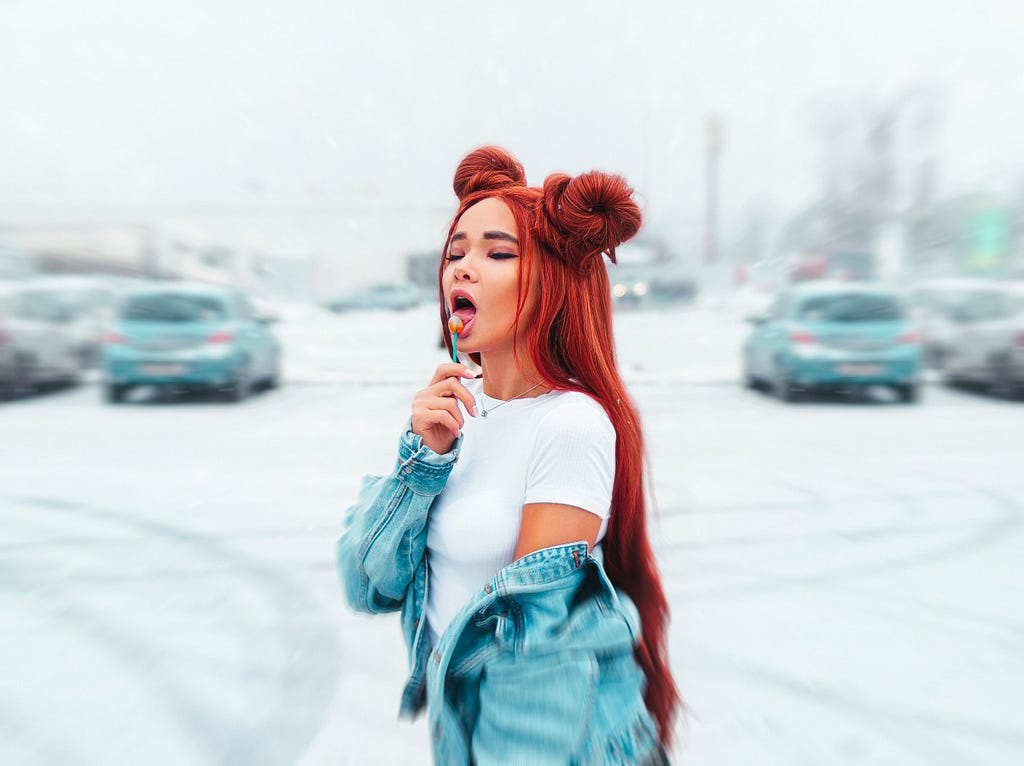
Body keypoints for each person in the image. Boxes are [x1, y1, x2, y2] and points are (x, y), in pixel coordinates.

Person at [336, 146, 679, 764]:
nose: (461, 270)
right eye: (455, 251)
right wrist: (422, 465)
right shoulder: (456, 413)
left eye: (497, 253)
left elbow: (536, 664)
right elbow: (368, 583)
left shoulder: (569, 427)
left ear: (553, 281)